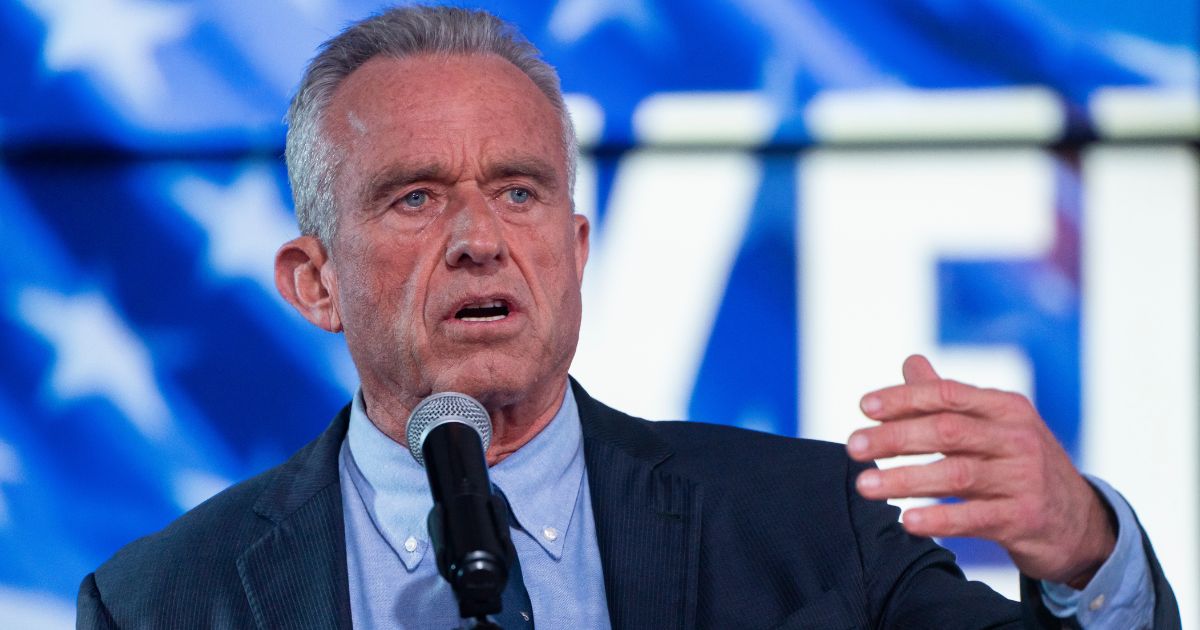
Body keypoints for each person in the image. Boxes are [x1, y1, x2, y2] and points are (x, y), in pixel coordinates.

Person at [76, 5, 1179, 628]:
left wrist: (1086, 547)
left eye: (518, 191)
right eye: (414, 196)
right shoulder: (160, 605)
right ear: (313, 282)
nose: (478, 238)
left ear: (575, 248)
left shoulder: (811, 531)